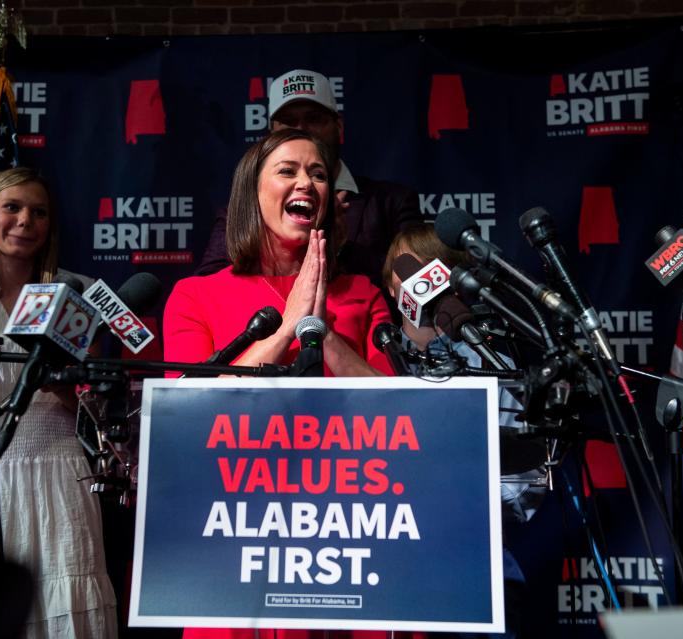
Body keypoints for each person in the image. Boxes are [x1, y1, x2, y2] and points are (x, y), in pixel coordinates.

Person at [0, 167, 118, 639]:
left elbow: (97, 411)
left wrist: (62, 383)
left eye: (39, 212)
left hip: (61, 473)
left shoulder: (77, 293)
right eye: (12, 207)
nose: (25, 220)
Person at [382, 224, 545, 639]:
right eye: (402, 267)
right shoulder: (377, 352)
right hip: (387, 574)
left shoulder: (487, 356)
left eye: (424, 266)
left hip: (474, 573)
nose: (412, 278)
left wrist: (455, 513)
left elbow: (525, 481)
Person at [165, 128, 393, 378]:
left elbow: (393, 403)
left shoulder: (363, 294)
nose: (306, 183)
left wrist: (320, 332)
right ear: (252, 191)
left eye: (319, 175)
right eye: (287, 171)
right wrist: (287, 327)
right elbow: (187, 404)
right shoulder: (194, 297)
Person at [197, 68, 423, 288]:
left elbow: (417, 287)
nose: (302, 129)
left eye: (314, 119)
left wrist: (339, 247)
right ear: (271, 133)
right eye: (288, 121)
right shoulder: (242, 210)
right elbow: (208, 286)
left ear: (338, 126)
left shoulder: (393, 202)